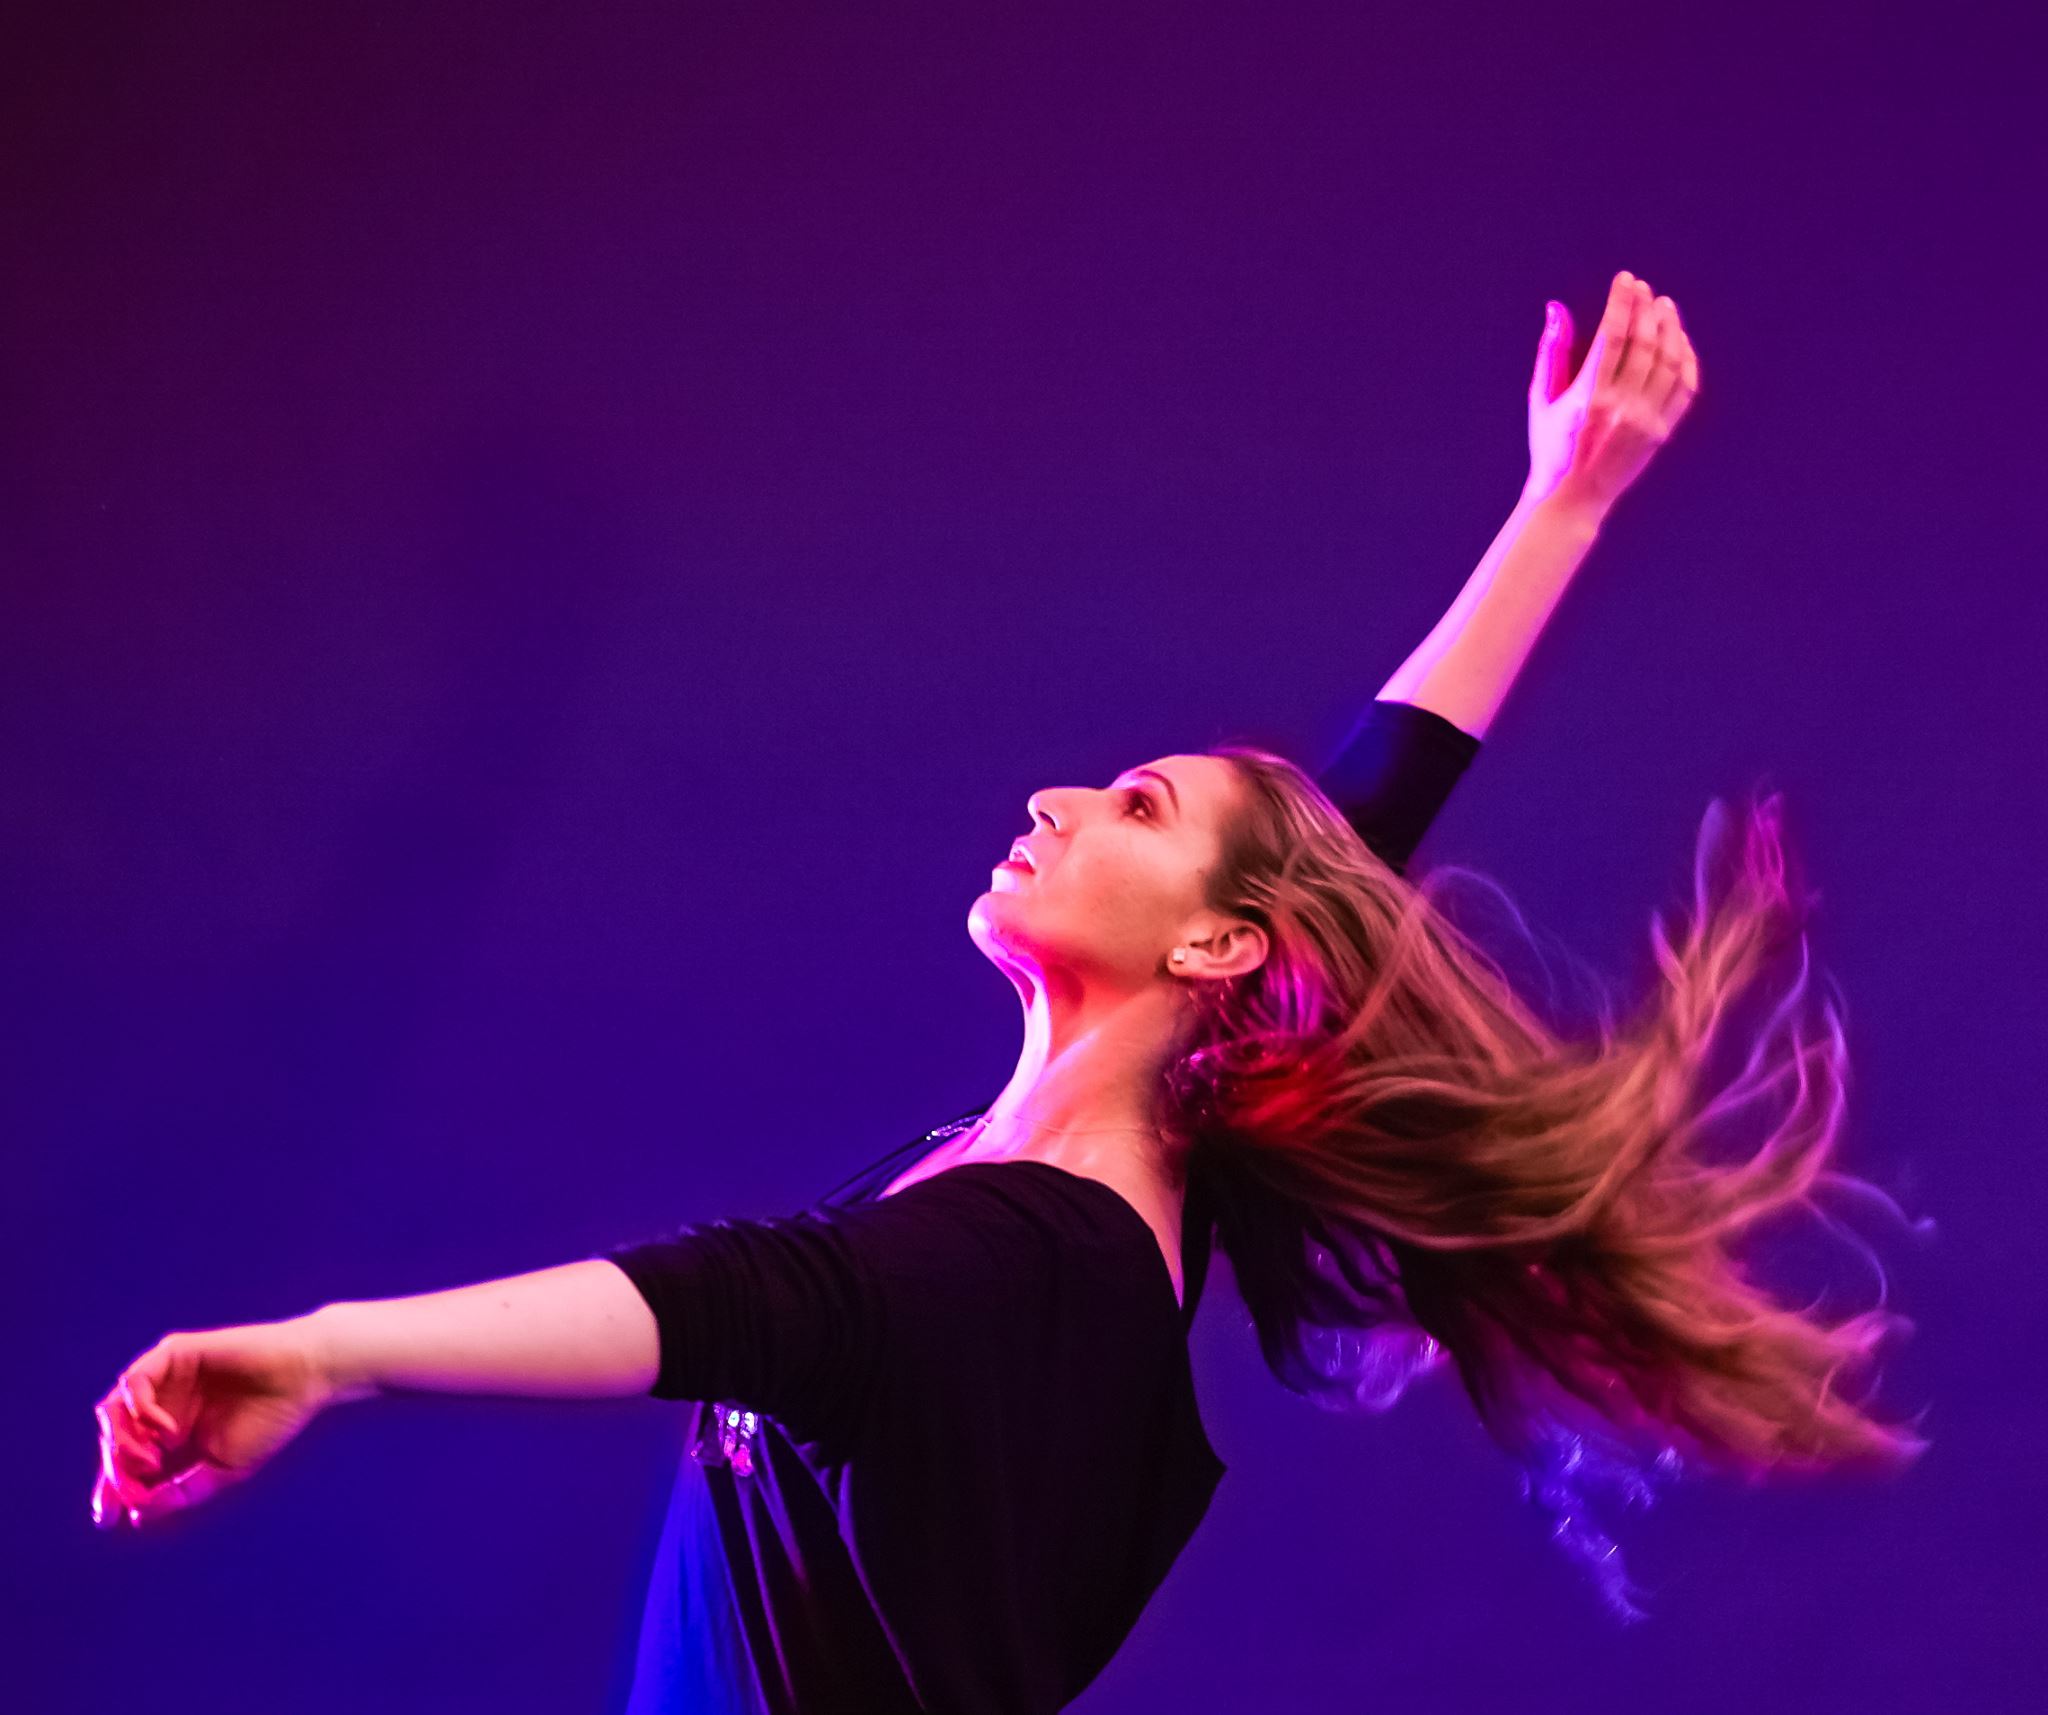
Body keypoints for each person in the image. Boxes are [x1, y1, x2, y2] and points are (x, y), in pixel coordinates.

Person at [93, 271, 1926, 1711]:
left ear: (1214, 950)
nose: (1054, 798)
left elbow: (744, 1302)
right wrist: (1563, 502)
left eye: (1134, 806)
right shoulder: (1079, 1179)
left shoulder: (1034, 1258)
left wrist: (329, 1351)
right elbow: (1356, 827)